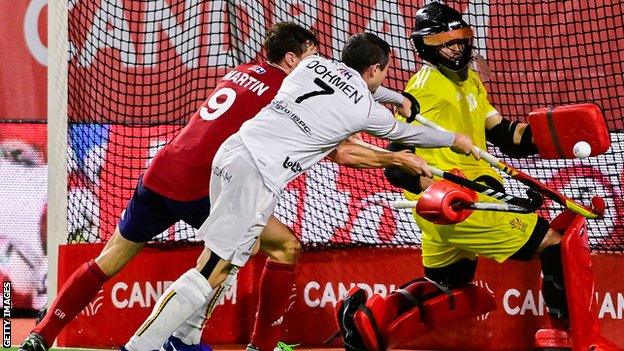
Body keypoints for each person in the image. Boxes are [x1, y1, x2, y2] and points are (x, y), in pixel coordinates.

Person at [18, 23, 434, 351]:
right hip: (207, 185)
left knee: (109, 261)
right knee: (276, 247)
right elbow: (340, 149)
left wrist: (393, 98)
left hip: (162, 171)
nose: (319, 63)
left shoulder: (243, 72)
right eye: (311, 56)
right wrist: (397, 154)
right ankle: (253, 344)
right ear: (291, 59)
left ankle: (43, 334)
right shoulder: (287, 90)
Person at [121, 32, 477, 351]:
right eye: (383, 72)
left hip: (232, 152)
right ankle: (140, 347)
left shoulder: (311, 65)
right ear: (374, 69)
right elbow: (408, 135)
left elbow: (355, 94)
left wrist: (392, 95)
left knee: (237, 254)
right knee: (214, 265)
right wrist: (454, 140)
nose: (383, 78)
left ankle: (184, 339)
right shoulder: (366, 109)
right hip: (256, 173)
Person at [381, 2, 571, 347]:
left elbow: (504, 135)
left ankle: (371, 322)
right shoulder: (425, 88)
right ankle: (565, 337)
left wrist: (559, 136)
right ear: (426, 47)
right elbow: (396, 160)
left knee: (450, 283)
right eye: (446, 42)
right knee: (555, 246)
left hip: (447, 208)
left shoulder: (470, 80)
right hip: (460, 202)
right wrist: (436, 190)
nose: (457, 48)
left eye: (460, 39)